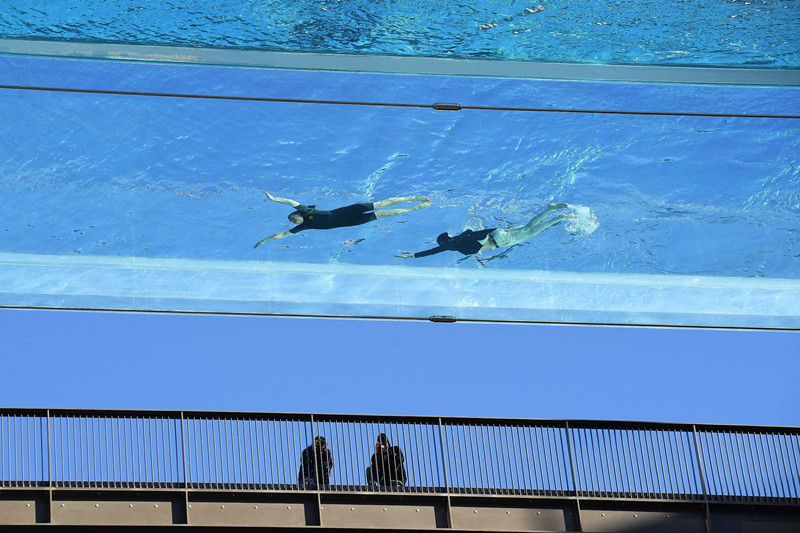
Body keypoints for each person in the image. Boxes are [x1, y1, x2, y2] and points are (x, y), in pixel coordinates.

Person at [254, 192, 431, 248]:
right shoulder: (305, 226)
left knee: (382, 204)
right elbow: (282, 235)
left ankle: (413, 198)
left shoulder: (306, 212)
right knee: (384, 214)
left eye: (294, 219)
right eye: (293, 223)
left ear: (297, 215)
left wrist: (274, 199)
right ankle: (415, 208)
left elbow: (291, 202)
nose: (294, 223)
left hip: (350, 210)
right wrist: (264, 240)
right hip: (351, 222)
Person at [402, 203, 573, 258]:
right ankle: (557, 214)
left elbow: (434, 251)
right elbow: (471, 231)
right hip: (497, 233)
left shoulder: (452, 245)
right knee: (529, 227)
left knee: (532, 231)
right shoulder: (460, 238)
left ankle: (558, 215)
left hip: (499, 241)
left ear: (444, 243)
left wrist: (414, 255)